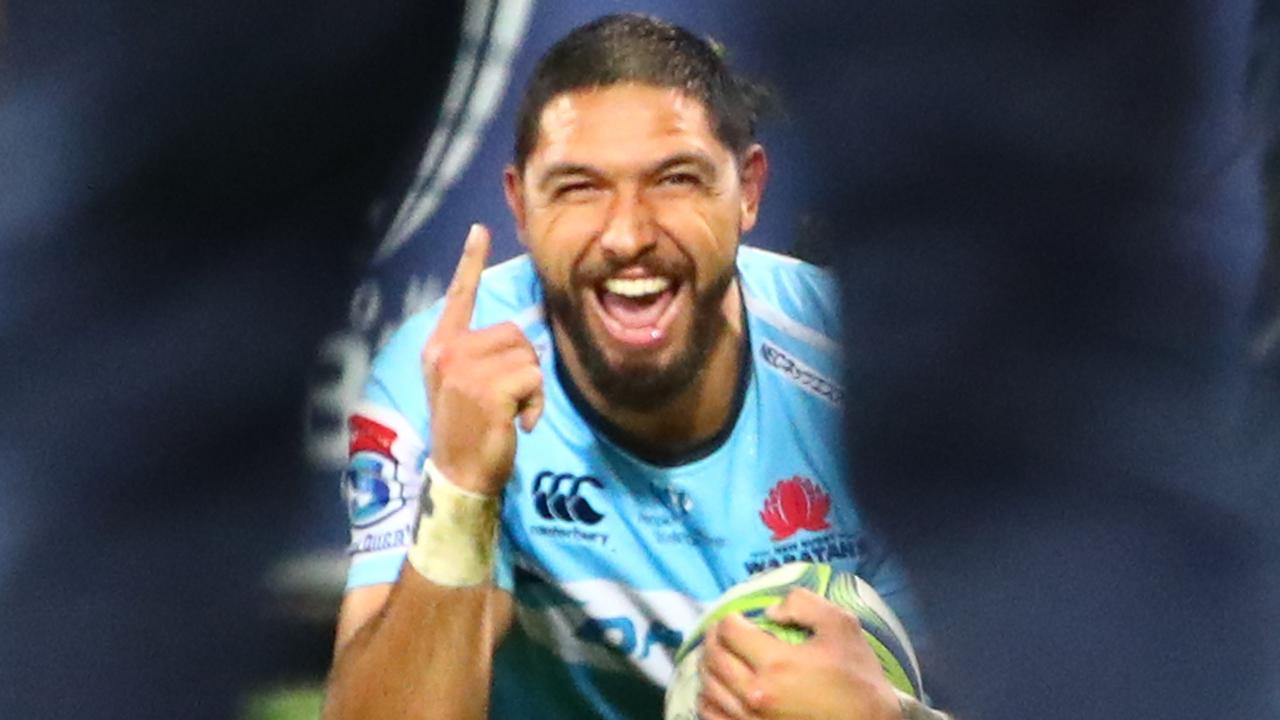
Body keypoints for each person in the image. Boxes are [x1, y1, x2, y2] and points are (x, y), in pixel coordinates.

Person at [323, 14, 941, 720]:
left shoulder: (859, 365)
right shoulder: (446, 375)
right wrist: (461, 493)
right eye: (579, 187)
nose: (627, 235)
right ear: (520, 205)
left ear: (748, 190)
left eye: (675, 180)